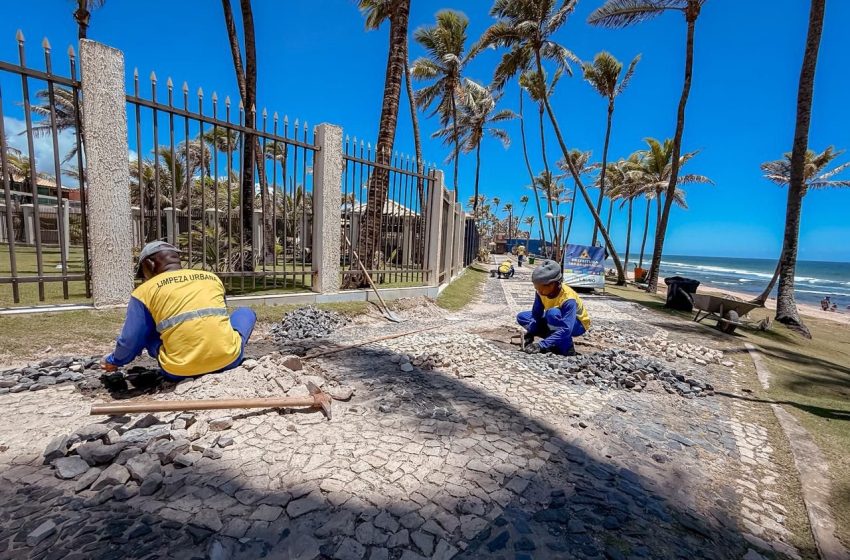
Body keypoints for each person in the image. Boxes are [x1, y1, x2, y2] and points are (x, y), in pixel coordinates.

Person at [101, 241, 257, 380]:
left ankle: (183, 358)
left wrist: (114, 360)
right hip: (229, 360)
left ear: (149, 264)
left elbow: (130, 340)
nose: (144, 278)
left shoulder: (144, 292)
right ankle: (222, 351)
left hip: (178, 370)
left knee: (145, 332)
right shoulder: (211, 278)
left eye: (143, 272)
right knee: (245, 312)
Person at [517, 259, 590, 356]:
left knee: (552, 314)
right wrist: (531, 332)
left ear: (553, 284)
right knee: (522, 317)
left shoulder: (568, 299)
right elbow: (536, 314)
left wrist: (541, 345)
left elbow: (567, 329)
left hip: (577, 324)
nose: (539, 291)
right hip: (554, 319)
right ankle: (554, 337)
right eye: (536, 287)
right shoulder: (540, 292)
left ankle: (567, 347)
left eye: (541, 287)